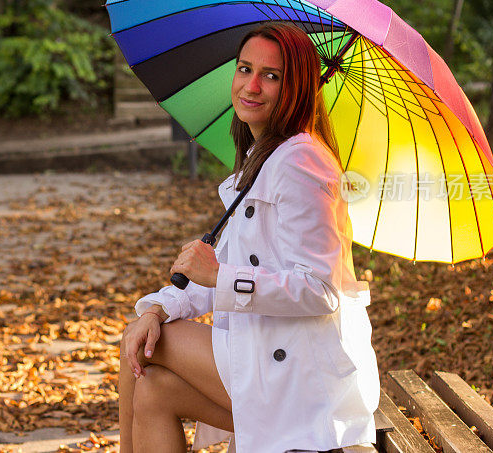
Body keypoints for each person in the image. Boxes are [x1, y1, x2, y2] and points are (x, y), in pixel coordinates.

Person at [118, 23, 380, 453]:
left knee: (143, 346)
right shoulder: (265, 162)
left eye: (271, 76)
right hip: (271, 359)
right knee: (152, 384)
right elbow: (215, 275)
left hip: (302, 378)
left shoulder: (300, 162)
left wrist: (221, 276)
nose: (252, 85)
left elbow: (320, 289)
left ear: (294, 88)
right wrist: (160, 308)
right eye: (245, 69)